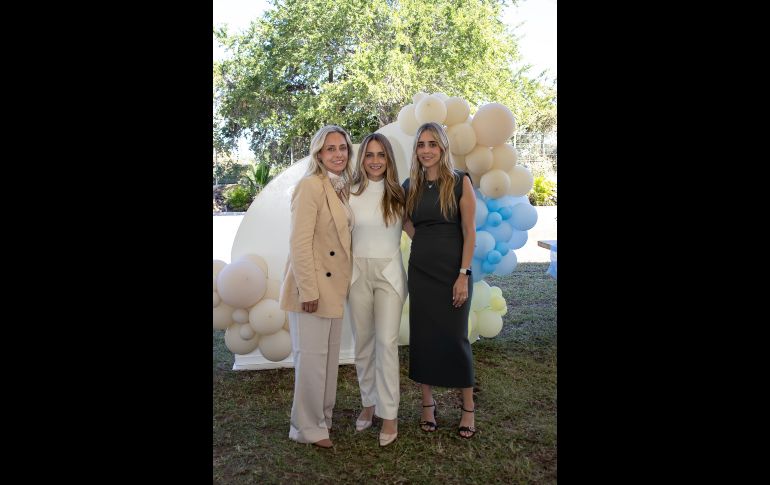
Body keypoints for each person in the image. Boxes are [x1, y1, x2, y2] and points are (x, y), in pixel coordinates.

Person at [279, 125, 355, 449]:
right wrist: (308, 291)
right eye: (330, 149)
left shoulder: (340, 187)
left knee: (327, 359)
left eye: (342, 148)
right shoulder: (310, 186)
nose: (338, 154)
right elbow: (300, 243)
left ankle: (322, 419)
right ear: (319, 154)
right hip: (312, 288)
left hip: (335, 287)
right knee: (311, 359)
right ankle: (306, 427)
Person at [401, 122, 478, 439]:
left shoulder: (460, 182)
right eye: (421, 144)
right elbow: (404, 219)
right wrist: (422, 239)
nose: (426, 150)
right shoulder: (411, 185)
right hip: (421, 272)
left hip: (453, 273)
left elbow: (470, 231)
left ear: (443, 148)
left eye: (432, 144)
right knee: (423, 337)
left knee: (455, 337)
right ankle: (427, 405)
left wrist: (463, 275)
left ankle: (468, 408)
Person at [348, 133, 406, 447]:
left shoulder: (399, 193)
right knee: (363, 343)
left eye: (380, 155)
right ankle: (368, 403)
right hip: (356, 274)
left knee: (386, 343)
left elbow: (420, 230)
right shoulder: (349, 191)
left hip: (389, 274)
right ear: (362, 158)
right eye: (369, 154)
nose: (374, 161)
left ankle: (390, 413)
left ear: (388, 159)